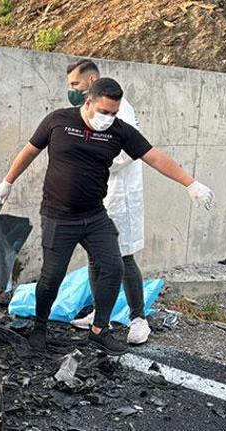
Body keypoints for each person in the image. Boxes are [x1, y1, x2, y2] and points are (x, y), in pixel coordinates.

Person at [0, 78, 214, 355]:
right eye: (104, 112)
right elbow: (30, 150)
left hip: (95, 216)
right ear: (88, 102)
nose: (108, 118)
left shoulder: (119, 131)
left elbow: (155, 157)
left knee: (113, 267)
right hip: (58, 217)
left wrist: (190, 184)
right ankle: (39, 329)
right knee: (52, 277)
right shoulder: (57, 121)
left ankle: (100, 331)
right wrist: (8, 181)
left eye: (113, 113)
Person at [65, 59, 149, 344]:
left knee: (123, 256)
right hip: (98, 194)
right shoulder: (86, 112)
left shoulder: (119, 109)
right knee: (94, 256)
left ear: (91, 83)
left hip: (120, 194)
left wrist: (96, 161)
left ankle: (139, 319)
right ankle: (101, 313)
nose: (72, 91)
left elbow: (129, 152)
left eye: (75, 84)